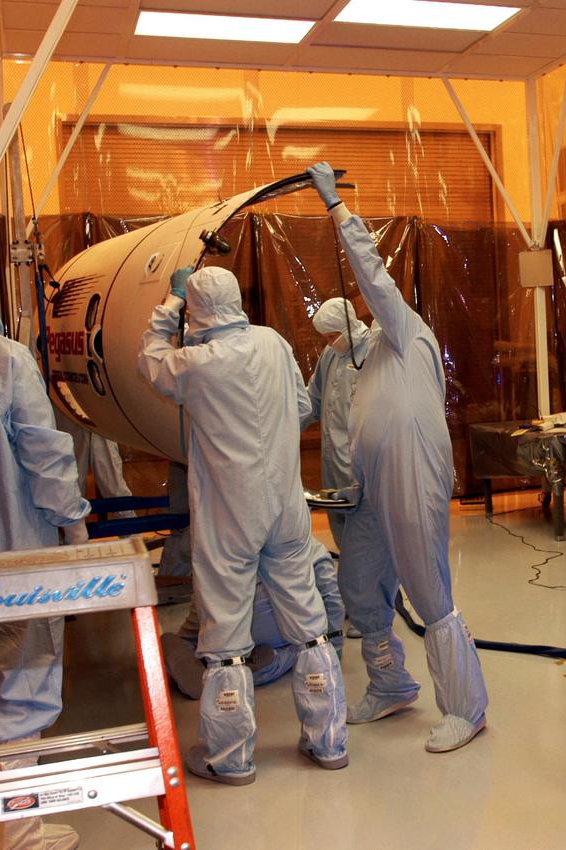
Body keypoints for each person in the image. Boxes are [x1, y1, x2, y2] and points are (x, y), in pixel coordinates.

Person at [137, 264, 348, 783]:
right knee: (309, 626)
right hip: (284, 504)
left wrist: (169, 302)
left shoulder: (196, 363)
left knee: (226, 638)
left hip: (230, 514)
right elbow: (301, 407)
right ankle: (328, 741)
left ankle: (229, 757)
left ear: (198, 309)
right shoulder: (273, 343)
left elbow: (149, 360)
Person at [304, 162, 488, 753]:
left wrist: (337, 210)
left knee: (428, 587)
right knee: (363, 586)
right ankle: (390, 684)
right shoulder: (352, 358)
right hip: (367, 483)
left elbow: (373, 274)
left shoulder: (403, 331)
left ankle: (466, 707)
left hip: (412, 473)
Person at [0, 242, 92, 850]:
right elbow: (46, 453)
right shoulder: (3, 360)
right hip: (12, 560)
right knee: (22, 693)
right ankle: (18, 831)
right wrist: (75, 525)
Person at [163, 536, 346, 698]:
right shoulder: (310, 547)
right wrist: (333, 649)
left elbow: (203, 605)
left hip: (225, 635)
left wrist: (190, 638)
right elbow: (333, 598)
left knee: (170, 641)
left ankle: (214, 667)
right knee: (303, 646)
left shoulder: (221, 550)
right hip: (289, 634)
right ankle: (277, 660)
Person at [300, 297, 369, 551]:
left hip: (359, 461)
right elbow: (313, 398)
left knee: (366, 531)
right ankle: (352, 586)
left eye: (332, 336)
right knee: (340, 527)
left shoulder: (370, 351)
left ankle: (373, 587)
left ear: (348, 326)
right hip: (332, 459)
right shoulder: (331, 354)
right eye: (326, 338)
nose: (329, 343)